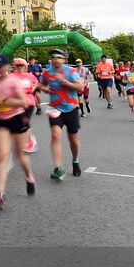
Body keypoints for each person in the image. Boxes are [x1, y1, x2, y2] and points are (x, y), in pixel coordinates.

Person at [0, 56, 33, 209]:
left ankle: (28, 176)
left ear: (7, 66)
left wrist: (6, 100)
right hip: (1, 121)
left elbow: (24, 102)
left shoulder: (13, 81)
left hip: (17, 119)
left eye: (1, 66)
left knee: (19, 156)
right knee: (2, 157)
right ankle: (0, 193)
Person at [41, 49, 85, 181]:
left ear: (64, 59)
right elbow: (42, 83)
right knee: (55, 135)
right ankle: (58, 167)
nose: (56, 59)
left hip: (71, 108)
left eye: (59, 57)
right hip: (55, 108)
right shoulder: (47, 72)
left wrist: (65, 82)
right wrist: (44, 88)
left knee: (73, 138)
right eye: (53, 57)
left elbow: (80, 88)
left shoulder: (70, 71)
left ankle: (75, 160)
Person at [11, 57, 39, 155]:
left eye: (21, 66)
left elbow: (35, 85)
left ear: (25, 67)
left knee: (24, 119)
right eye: (17, 66)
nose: (19, 67)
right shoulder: (11, 76)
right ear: (14, 67)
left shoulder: (30, 76)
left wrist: (34, 87)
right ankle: (26, 137)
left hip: (29, 102)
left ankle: (30, 139)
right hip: (16, 102)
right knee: (19, 122)